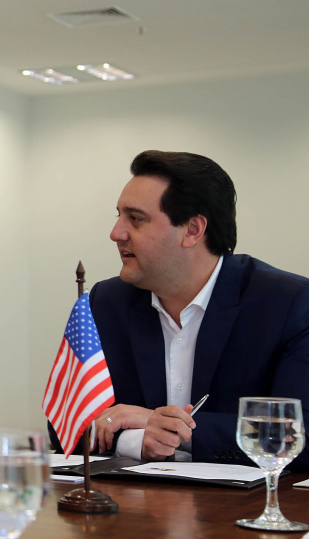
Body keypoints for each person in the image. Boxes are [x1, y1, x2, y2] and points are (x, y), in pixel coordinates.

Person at [82, 150, 309, 470]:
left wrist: (172, 430)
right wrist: (134, 441)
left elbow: (300, 436)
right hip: (131, 508)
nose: (116, 233)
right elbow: (64, 422)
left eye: (135, 219)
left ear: (192, 230)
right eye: (118, 216)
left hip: (244, 510)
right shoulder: (107, 302)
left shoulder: (289, 303)